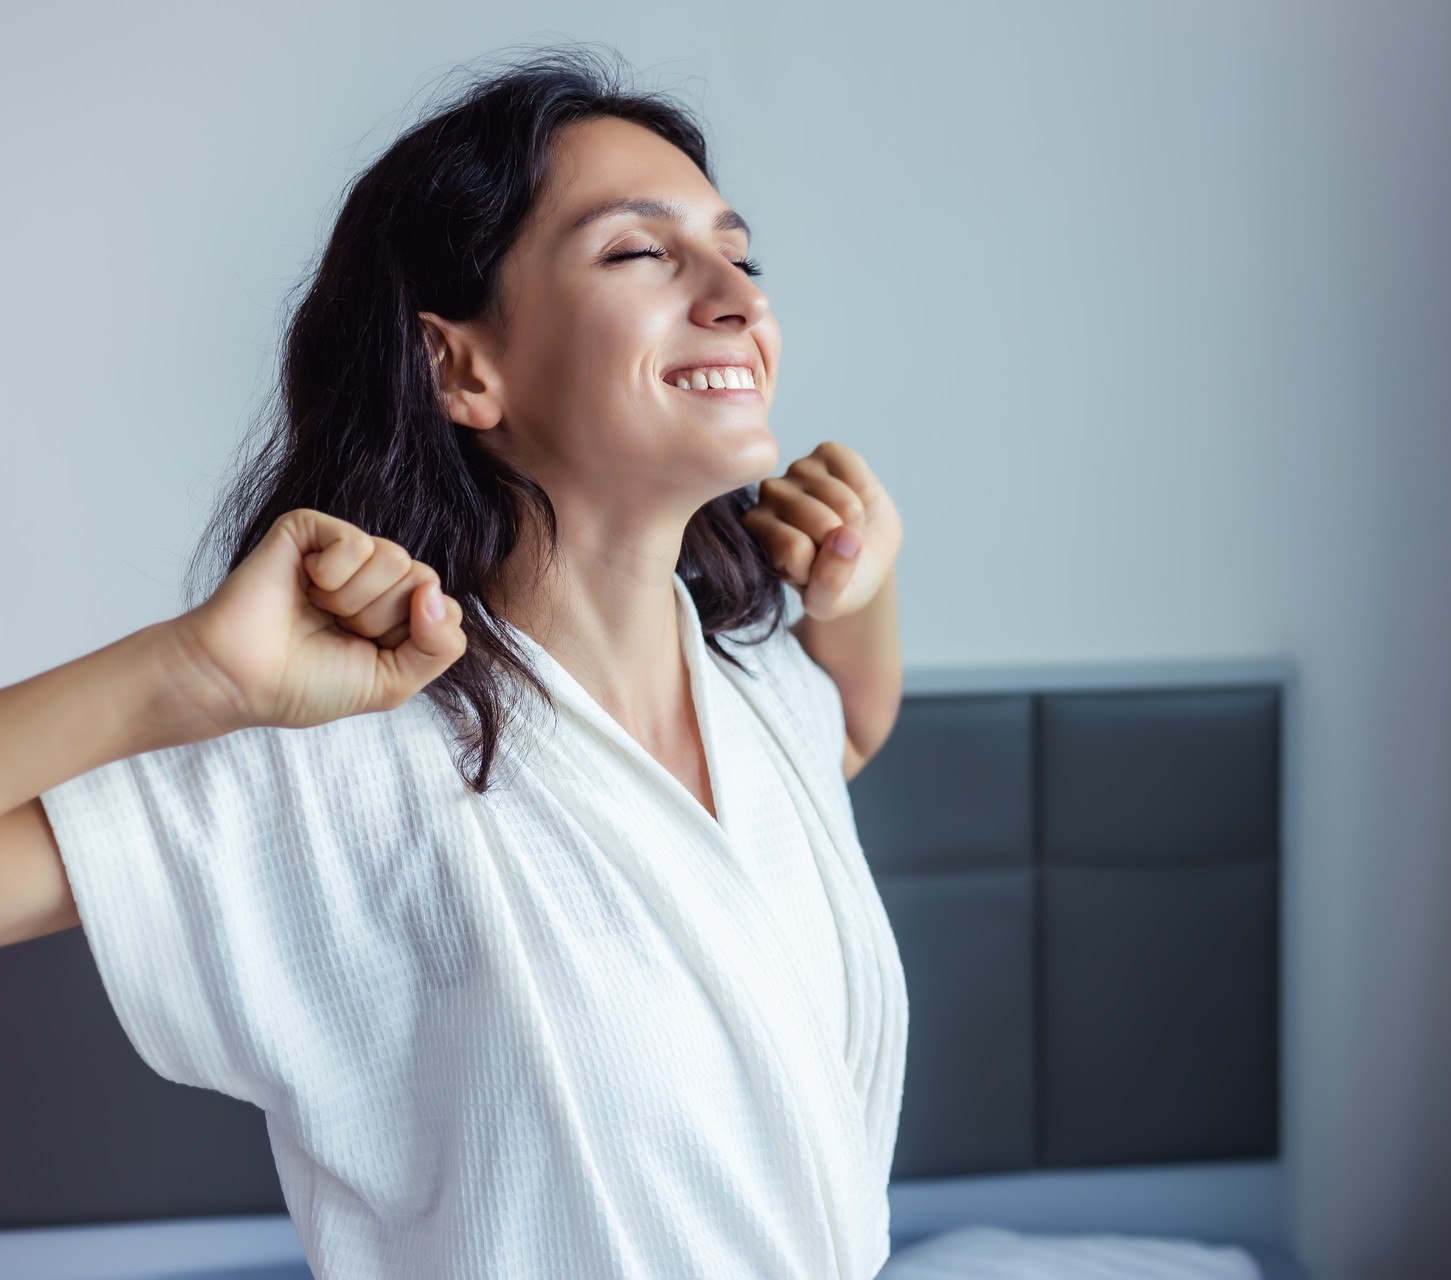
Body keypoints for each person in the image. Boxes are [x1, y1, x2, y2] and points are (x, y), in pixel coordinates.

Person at [0, 45, 909, 1280]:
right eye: (644, 251)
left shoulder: (756, 699)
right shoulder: (346, 753)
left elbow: (850, 724)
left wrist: (862, 587)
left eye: (741, 254)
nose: (738, 296)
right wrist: (189, 675)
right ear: (459, 367)